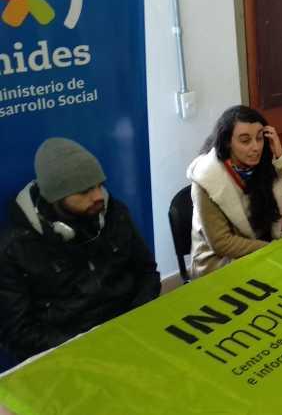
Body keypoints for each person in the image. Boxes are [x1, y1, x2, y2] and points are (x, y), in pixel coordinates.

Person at [0, 138, 161, 362]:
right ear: (55, 197)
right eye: (84, 191)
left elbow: (147, 271)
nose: (98, 196)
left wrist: (135, 319)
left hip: (129, 330)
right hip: (72, 354)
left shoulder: (114, 214)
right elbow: (18, 333)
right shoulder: (15, 249)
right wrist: (89, 347)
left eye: (99, 185)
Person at [187, 105, 282, 278]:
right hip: (219, 263)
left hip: (261, 249)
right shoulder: (207, 178)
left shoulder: (268, 163)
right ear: (227, 142)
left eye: (260, 138)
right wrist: (272, 249)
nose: (256, 147)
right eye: (245, 141)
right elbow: (222, 243)